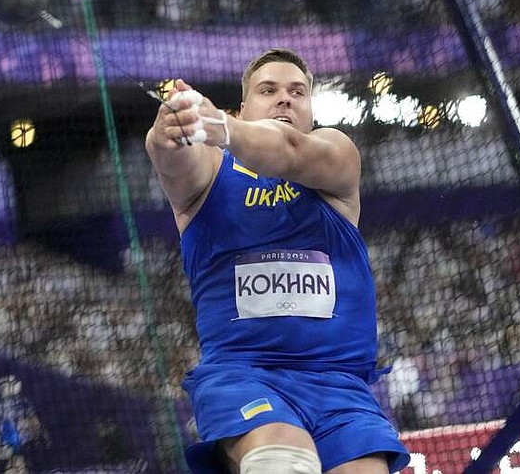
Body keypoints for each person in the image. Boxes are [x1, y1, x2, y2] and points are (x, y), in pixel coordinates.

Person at [145, 48, 410, 474]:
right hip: (244, 375)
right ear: (243, 106)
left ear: (310, 108)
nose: (284, 99)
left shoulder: (337, 153)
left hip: (339, 386)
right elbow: (172, 160)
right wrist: (167, 134)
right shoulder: (211, 166)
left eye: (297, 92)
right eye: (268, 90)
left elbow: (287, 150)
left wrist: (221, 125)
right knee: (283, 459)